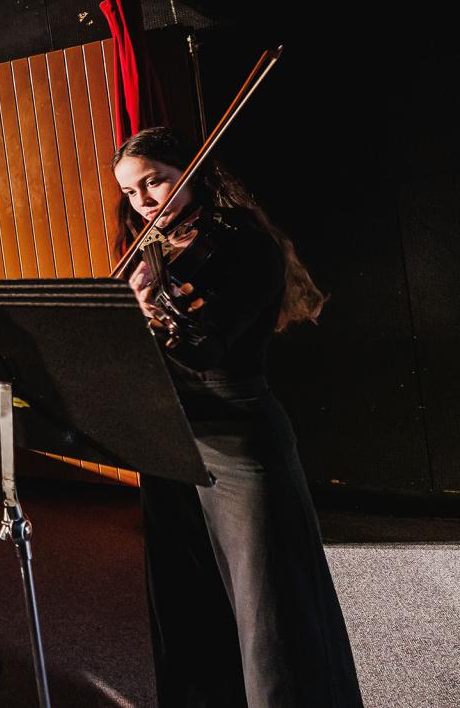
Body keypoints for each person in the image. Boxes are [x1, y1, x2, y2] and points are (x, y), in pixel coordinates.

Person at [113, 127, 362, 707]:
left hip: (238, 437)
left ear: (192, 172)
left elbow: (204, 349)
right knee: (190, 598)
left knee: (269, 609)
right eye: (130, 192)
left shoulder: (243, 243)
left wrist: (147, 313)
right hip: (172, 437)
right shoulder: (153, 246)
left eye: (155, 182)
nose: (144, 201)